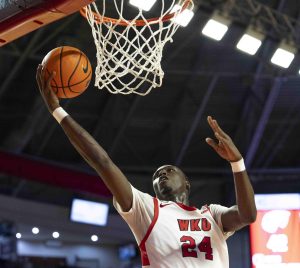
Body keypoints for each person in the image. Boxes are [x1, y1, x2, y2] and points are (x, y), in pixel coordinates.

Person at [36, 65, 257, 268]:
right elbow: (102, 162)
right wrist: (57, 111)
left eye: (169, 170)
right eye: (157, 175)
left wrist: (237, 163)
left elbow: (247, 216)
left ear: (187, 184)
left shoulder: (212, 215)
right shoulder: (146, 209)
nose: (161, 175)